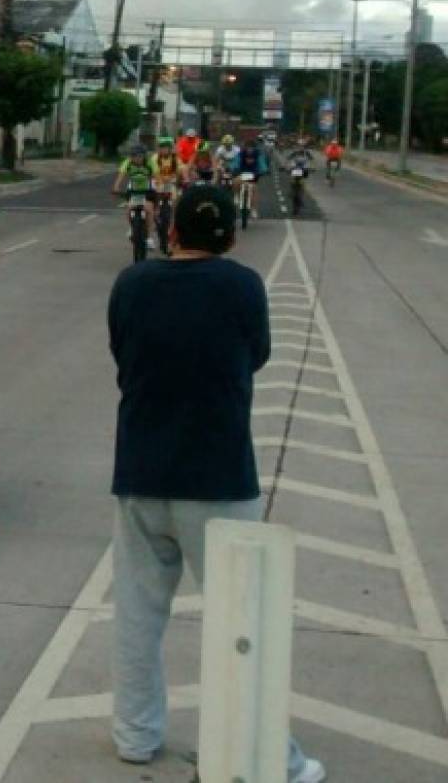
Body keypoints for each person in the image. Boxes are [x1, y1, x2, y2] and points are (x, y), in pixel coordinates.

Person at [106, 184, 326, 783]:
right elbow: (255, 355)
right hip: (219, 475)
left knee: (137, 614)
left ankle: (135, 735)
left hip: (141, 470)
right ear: (230, 237)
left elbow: (122, 353)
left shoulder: (132, 284)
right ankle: (272, 757)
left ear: (170, 232)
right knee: (241, 621)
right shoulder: (243, 286)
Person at [112, 144, 158, 249]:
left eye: (140, 156)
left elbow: (156, 175)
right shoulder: (127, 162)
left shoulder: (150, 162)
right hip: (133, 189)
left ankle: (149, 238)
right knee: (129, 208)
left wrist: (159, 185)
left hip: (147, 188)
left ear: (144, 156)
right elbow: (121, 175)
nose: (137, 158)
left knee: (149, 210)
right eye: (134, 156)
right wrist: (116, 187)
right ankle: (131, 228)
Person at [149, 137, 181, 255]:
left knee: (176, 201)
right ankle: (153, 220)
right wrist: (160, 179)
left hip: (170, 184)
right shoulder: (154, 158)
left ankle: (172, 224)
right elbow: (153, 172)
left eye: (166, 148)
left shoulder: (175, 159)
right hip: (158, 183)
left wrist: (180, 178)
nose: (164, 150)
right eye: (161, 147)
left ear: (170, 149)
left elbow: (180, 171)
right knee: (150, 203)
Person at [238, 138, 265, 218]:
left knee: (254, 189)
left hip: (254, 174)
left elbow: (262, 163)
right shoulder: (241, 153)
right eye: (248, 147)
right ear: (245, 147)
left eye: (251, 147)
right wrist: (233, 168)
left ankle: (254, 209)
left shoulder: (258, 154)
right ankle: (237, 197)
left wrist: (263, 170)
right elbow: (236, 162)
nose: (249, 149)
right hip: (243, 173)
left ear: (254, 148)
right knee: (236, 182)